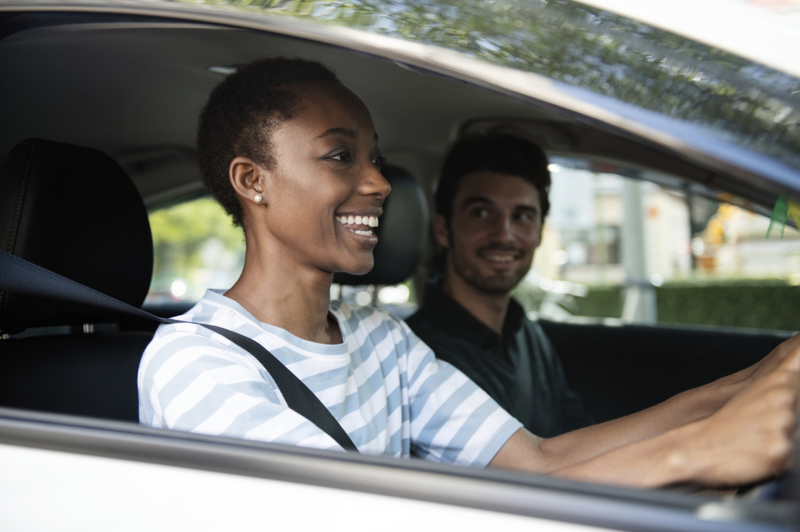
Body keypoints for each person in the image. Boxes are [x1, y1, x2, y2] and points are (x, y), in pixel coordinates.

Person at [138, 57, 800, 489]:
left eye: (376, 158)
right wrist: (696, 454)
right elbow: (359, 521)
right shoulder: (194, 364)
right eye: (341, 156)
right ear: (253, 181)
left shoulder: (380, 340)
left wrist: (757, 380)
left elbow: (540, 462)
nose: (377, 183)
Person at [407, 135, 593, 437]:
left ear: (539, 234)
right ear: (443, 230)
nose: (504, 235)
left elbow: (576, 431)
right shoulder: (420, 355)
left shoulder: (528, 334)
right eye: (481, 213)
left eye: (521, 216)